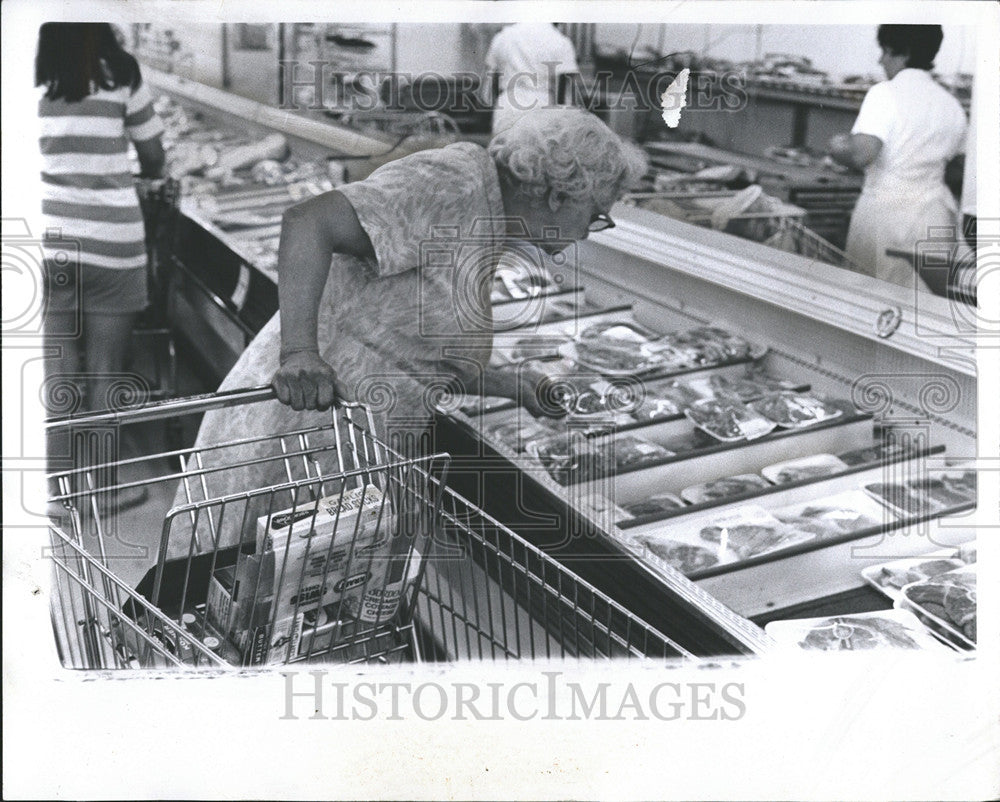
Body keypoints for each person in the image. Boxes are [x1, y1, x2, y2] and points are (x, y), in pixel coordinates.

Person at [174, 109, 645, 558]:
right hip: (304, 425)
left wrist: (512, 385)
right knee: (238, 590)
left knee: (291, 611)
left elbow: (408, 347)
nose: (588, 232)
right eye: (596, 215)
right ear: (560, 193)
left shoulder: (490, 219)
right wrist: (299, 353)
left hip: (347, 449)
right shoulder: (454, 183)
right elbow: (308, 221)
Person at [37, 23, 165, 507]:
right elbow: (153, 154)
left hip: (50, 241)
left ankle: (57, 492)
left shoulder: (27, 70)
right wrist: (145, 171)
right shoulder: (120, 71)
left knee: (59, 368)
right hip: (113, 242)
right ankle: (103, 493)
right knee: (107, 370)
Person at [827, 25, 967, 291]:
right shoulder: (952, 105)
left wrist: (836, 146)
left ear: (901, 53)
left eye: (885, 52)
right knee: (925, 311)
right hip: (935, 218)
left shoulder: (884, 93)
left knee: (869, 305)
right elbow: (958, 170)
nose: (881, 60)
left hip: (886, 217)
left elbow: (862, 153)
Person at [485, 23, 581, 134]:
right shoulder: (561, 41)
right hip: (542, 108)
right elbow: (564, 95)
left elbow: (492, 81)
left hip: (506, 107)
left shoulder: (502, 36)